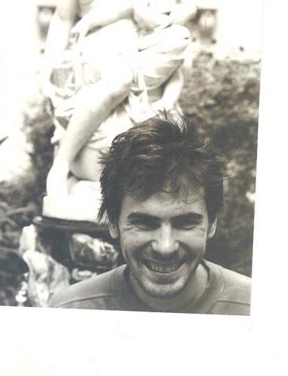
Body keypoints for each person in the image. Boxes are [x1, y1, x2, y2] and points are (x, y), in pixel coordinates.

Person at [41, 0, 195, 208]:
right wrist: (49, 64)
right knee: (107, 82)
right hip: (88, 51)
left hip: (129, 44)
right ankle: (62, 166)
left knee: (122, 80)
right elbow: (63, 17)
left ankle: (63, 163)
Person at [49, 113, 252, 315]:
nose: (165, 247)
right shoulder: (69, 311)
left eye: (185, 223)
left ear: (212, 222)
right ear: (112, 222)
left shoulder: (255, 308)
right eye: (145, 223)